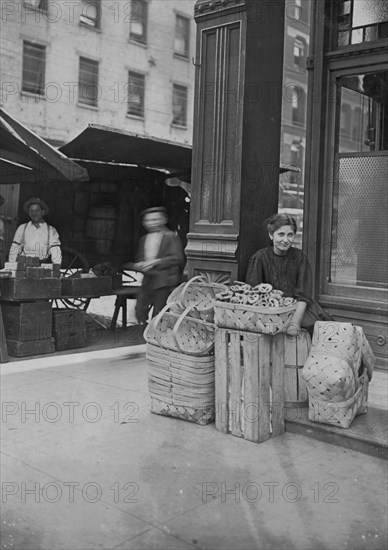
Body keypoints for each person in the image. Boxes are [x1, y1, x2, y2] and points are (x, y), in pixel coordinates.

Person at [245, 213, 331, 336]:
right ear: (271, 235)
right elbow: (253, 294)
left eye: (290, 235)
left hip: (299, 308)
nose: (285, 240)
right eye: (281, 234)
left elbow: (303, 295)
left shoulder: (300, 257)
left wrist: (295, 322)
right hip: (269, 310)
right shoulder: (259, 258)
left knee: (319, 328)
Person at [126, 206, 185, 325]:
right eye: (148, 220)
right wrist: (139, 265)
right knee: (139, 310)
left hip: (164, 281)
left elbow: (177, 258)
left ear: (164, 220)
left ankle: (157, 336)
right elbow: (141, 258)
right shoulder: (144, 239)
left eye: (155, 220)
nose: (151, 223)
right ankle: (146, 331)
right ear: (144, 223)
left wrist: (156, 262)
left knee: (159, 312)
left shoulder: (170, 237)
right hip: (148, 280)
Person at [8, 197, 62, 265]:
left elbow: (55, 250)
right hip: (24, 264)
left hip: (41, 266)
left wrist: (56, 267)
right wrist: (11, 266)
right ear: (29, 213)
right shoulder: (22, 228)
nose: (34, 213)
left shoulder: (51, 230)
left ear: (43, 212)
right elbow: (14, 248)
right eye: (31, 211)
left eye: (37, 210)